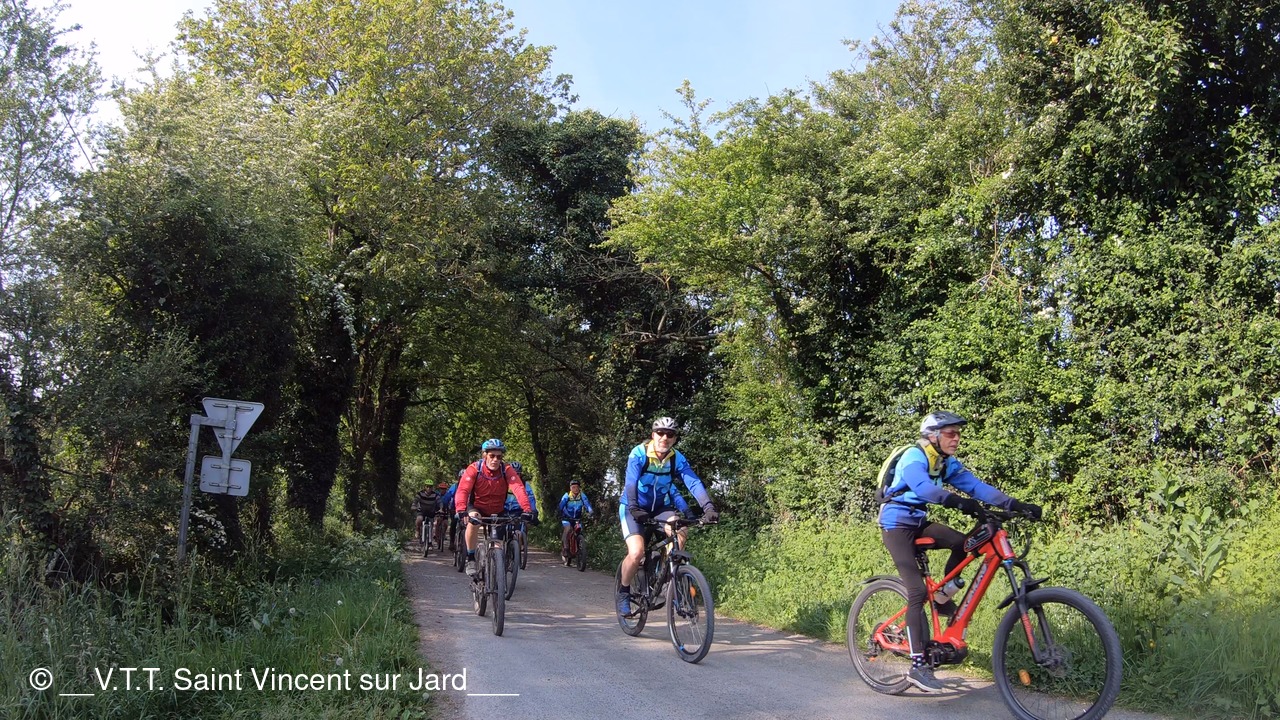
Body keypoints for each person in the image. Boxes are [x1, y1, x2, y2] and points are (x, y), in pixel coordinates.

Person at [878, 411, 1042, 693]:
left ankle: (942, 597)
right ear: (933, 435)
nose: (956, 438)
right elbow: (923, 488)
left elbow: (975, 487)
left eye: (958, 434)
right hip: (896, 526)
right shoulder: (914, 457)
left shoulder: (945, 463)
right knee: (916, 592)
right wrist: (958, 502)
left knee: (963, 544)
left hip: (918, 522)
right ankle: (918, 667)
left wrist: (1013, 504)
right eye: (950, 433)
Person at [617, 417, 719, 617]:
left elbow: (693, 482)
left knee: (680, 530)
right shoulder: (639, 454)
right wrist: (635, 507)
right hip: (632, 507)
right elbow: (630, 482)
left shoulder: (676, 458)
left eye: (670, 434)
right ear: (653, 435)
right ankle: (623, 592)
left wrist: (708, 507)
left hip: (660, 507)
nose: (665, 437)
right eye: (660, 433)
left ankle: (669, 576)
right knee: (636, 553)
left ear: (674, 439)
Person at [455, 439, 533, 577]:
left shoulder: (506, 470)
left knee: (498, 545)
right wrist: (461, 509)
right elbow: (463, 490)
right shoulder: (474, 469)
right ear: (484, 455)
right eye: (492, 456)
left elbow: (518, 488)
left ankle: (496, 572)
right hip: (477, 507)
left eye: (499, 457)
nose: (495, 460)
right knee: (473, 521)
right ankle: (471, 559)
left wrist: (527, 509)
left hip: (498, 510)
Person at [558, 479, 595, 565]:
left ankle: (579, 548)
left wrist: (591, 512)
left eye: (577, 487)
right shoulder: (567, 496)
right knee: (567, 529)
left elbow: (587, 504)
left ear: (579, 488)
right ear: (570, 488)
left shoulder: (582, 496)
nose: (575, 489)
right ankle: (566, 548)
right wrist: (559, 512)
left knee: (579, 530)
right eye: (573, 487)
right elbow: (561, 506)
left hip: (577, 518)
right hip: (567, 518)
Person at [441, 471, 462, 551]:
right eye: (461, 478)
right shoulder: (454, 487)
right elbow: (447, 498)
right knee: (454, 523)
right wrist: (445, 507)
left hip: (466, 510)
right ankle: (452, 542)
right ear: (459, 478)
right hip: (454, 509)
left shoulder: (471, 486)